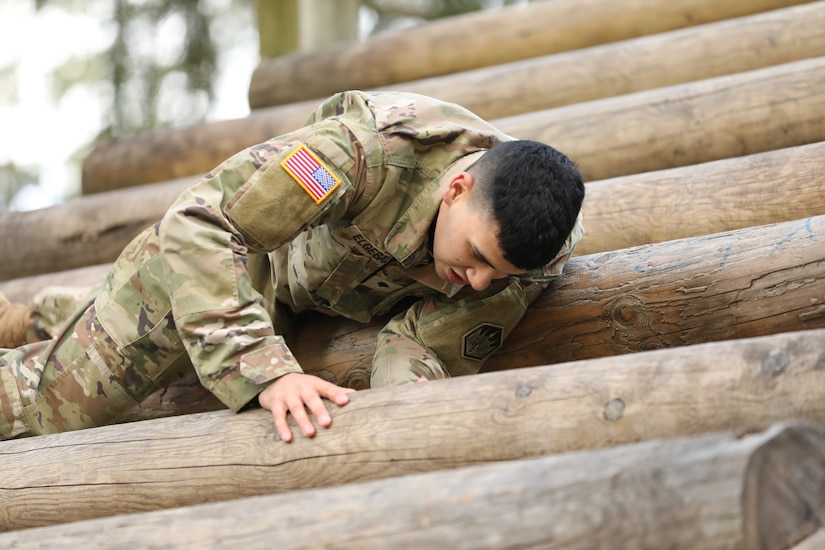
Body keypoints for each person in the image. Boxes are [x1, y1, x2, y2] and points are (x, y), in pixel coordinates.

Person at [0, 90, 584, 441]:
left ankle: (38, 317)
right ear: (456, 188)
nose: (480, 282)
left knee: (162, 354)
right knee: (61, 407)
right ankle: (46, 325)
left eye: (496, 275)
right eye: (478, 257)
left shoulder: (532, 260)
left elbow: (421, 347)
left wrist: (405, 429)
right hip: (244, 258)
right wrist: (266, 372)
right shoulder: (362, 152)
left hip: (321, 296)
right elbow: (202, 223)